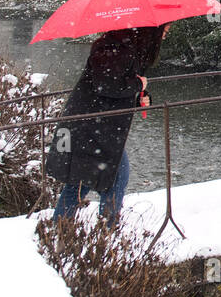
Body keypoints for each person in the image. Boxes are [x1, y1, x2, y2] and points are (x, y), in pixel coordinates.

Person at [46, 24, 166, 224]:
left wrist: (138, 99)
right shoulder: (115, 49)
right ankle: (107, 230)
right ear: (150, 32)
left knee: (80, 181)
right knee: (115, 175)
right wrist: (137, 84)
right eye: (164, 31)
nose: (164, 36)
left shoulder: (120, 48)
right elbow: (105, 85)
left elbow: (109, 89)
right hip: (91, 127)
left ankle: (59, 228)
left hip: (90, 124)